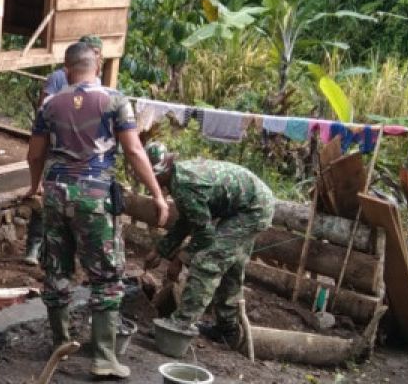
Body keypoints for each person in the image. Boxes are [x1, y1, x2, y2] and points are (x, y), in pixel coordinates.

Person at [26, 42, 170, 379]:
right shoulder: (115, 101)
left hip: (57, 194)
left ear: (66, 67)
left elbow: (34, 155)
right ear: (99, 64)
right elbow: (134, 151)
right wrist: (157, 195)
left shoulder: (50, 104)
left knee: (57, 270)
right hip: (95, 196)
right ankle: (104, 357)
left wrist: (35, 187)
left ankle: (61, 343)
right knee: (106, 276)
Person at [142, 143, 275, 346]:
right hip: (247, 205)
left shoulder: (185, 185)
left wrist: (180, 258)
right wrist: (160, 250)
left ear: (162, 172)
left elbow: (205, 235)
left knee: (208, 263)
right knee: (231, 265)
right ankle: (227, 329)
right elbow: (188, 221)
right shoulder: (178, 178)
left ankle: (180, 324)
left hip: (252, 209)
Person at [22, 34, 106, 266]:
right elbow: (46, 109)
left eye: (99, 54)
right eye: (95, 53)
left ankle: (64, 256)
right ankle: (35, 246)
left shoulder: (99, 83)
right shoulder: (59, 77)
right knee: (47, 205)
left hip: (85, 160)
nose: (98, 59)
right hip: (57, 150)